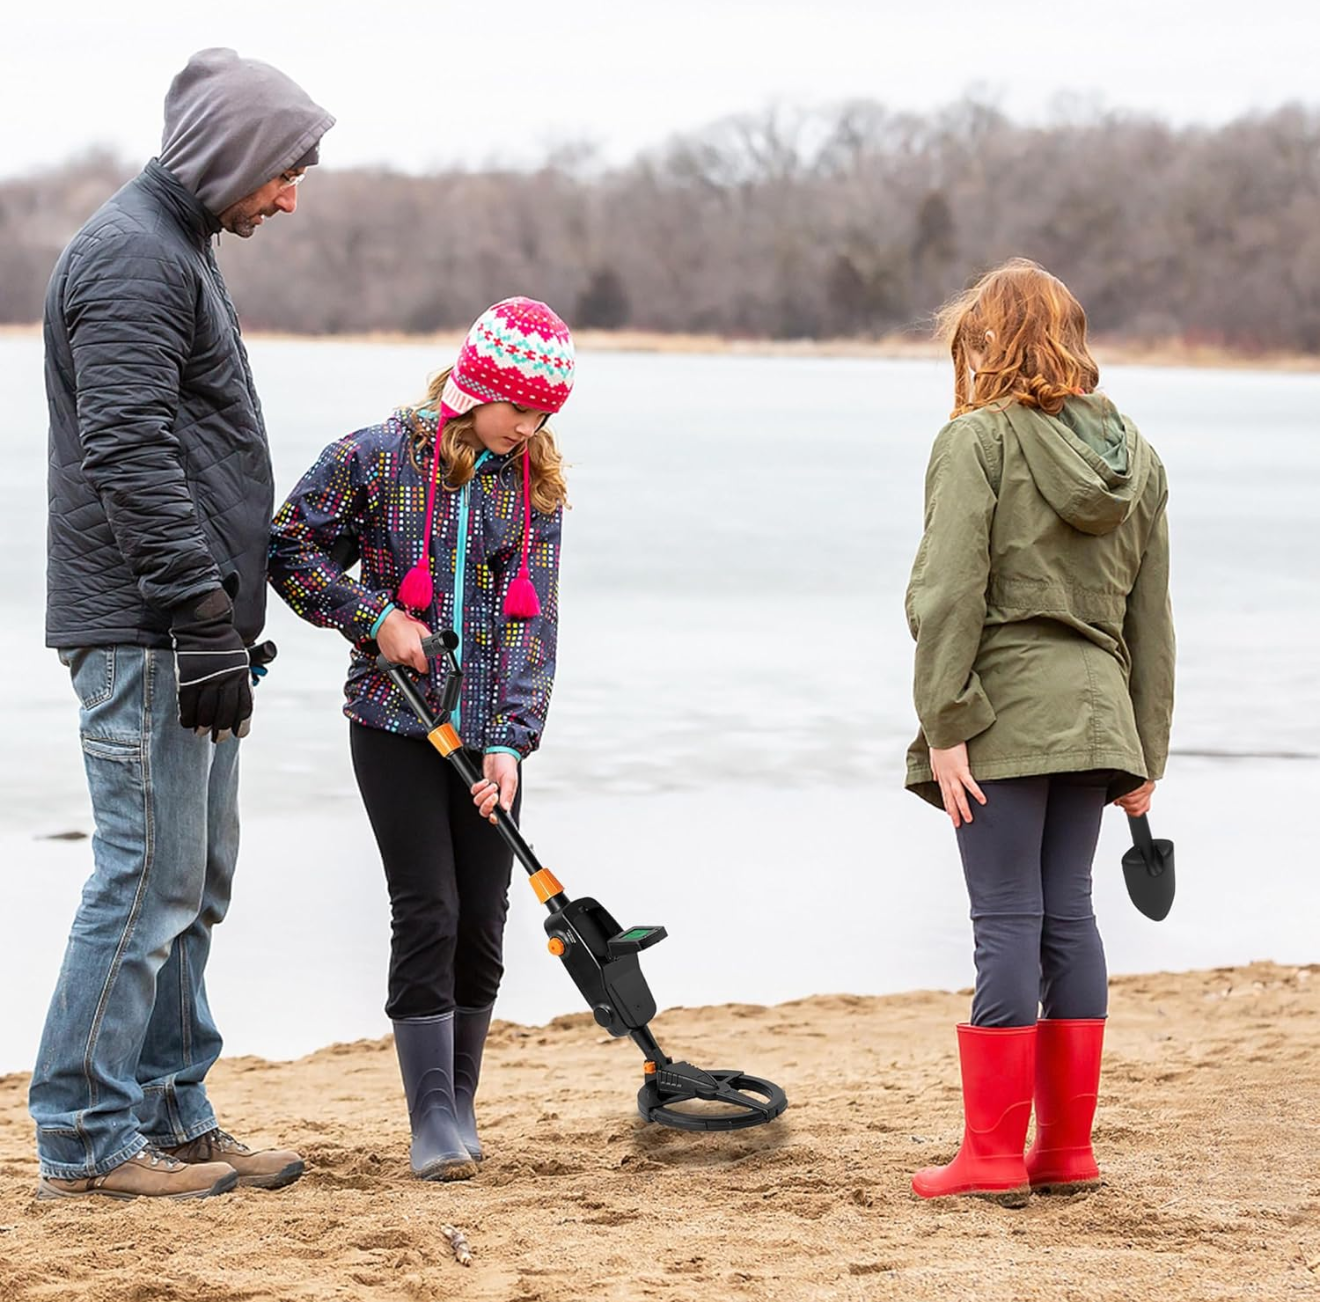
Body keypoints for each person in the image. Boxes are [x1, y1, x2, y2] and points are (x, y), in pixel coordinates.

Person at [34, 49, 335, 1201]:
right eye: (285, 171)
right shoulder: (131, 255)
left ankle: (171, 1113)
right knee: (143, 881)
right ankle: (84, 1138)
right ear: (230, 153)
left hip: (189, 627)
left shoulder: (178, 245)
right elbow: (128, 451)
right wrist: (201, 613)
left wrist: (219, 622)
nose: (291, 198)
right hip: (149, 626)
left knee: (193, 883)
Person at [267, 297, 574, 1181]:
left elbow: (534, 624)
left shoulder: (535, 485)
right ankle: (430, 1114)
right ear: (474, 387)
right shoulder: (373, 456)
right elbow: (288, 548)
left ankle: (462, 1100)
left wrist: (512, 741)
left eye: (544, 413)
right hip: (394, 724)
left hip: (489, 742)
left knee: (484, 917)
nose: (529, 428)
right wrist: (374, 619)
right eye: (519, 408)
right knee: (428, 909)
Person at [903, 258, 1175, 1203]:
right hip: (1100, 717)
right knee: (1070, 916)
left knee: (1007, 918)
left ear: (989, 339)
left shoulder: (976, 440)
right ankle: (1063, 1150)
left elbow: (949, 594)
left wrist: (945, 723)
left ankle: (989, 1156)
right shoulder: (1136, 458)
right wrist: (1146, 752)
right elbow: (1152, 620)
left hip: (1005, 711)